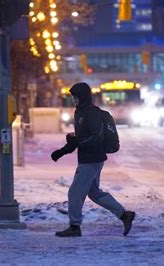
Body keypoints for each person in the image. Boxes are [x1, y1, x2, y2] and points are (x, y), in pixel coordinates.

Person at [51, 82, 135, 237]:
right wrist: (62, 151)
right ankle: (125, 215)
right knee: (94, 193)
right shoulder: (80, 112)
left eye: (75, 97)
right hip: (88, 158)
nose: (74, 100)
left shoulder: (92, 113)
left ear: (82, 97)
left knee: (75, 193)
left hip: (92, 159)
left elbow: (95, 137)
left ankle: (74, 227)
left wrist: (77, 141)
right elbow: (83, 137)